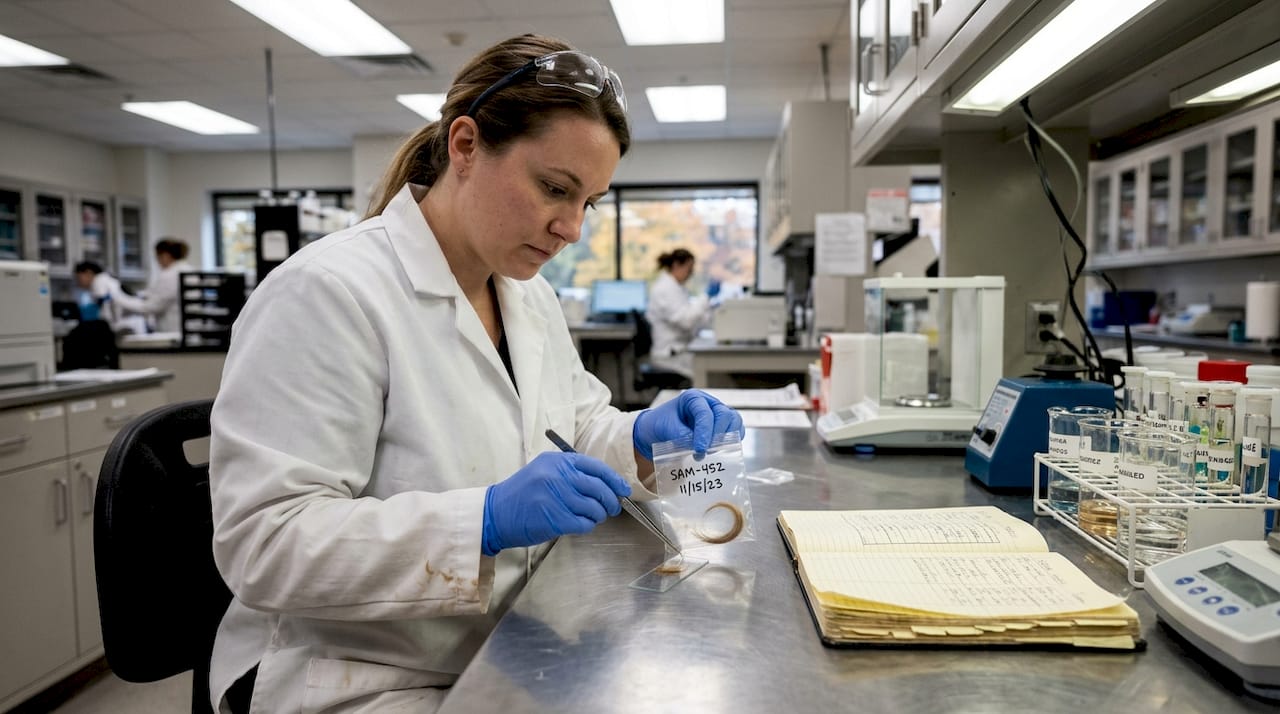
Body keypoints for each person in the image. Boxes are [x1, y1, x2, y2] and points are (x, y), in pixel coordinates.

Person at [207, 34, 744, 714]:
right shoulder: (328, 293)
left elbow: (573, 426)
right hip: (355, 670)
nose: (571, 227)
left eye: (590, 202)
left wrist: (643, 437)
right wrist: (482, 521)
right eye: (554, 188)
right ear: (464, 145)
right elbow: (266, 543)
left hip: (499, 642)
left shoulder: (527, 292)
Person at [645, 248, 713, 379]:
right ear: (676, 265)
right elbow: (685, 321)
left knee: (712, 370)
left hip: (678, 351)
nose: (691, 274)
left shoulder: (676, 288)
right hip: (669, 356)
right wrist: (705, 297)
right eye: (689, 269)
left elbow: (690, 316)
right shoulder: (665, 289)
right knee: (711, 374)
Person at [109, 237, 192, 333]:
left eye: (157, 258)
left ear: (165, 255)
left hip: (173, 332)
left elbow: (150, 307)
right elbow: (157, 294)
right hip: (187, 332)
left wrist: (118, 298)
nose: (158, 262)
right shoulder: (188, 270)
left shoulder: (170, 275)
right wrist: (140, 295)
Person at [72, 261, 120, 325]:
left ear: (89, 273)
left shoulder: (99, 281)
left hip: (124, 325)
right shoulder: (105, 280)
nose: (77, 281)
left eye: (78, 277)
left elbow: (104, 309)